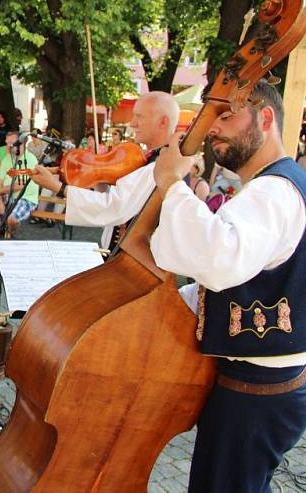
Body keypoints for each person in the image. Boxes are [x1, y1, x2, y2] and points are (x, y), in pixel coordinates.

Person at [149, 80, 306, 493]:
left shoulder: (273, 191)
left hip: (257, 391)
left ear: (265, 118)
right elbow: (247, 276)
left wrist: (171, 186)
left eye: (227, 114)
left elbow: (219, 259)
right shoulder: (274, 185)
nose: (213, 128)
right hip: (259, 385)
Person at [29, 91, 180, 250]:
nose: (132, 123)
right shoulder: (150, 160)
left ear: (163, 122)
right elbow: (118, 200)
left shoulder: (159, 167)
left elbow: (115, 208)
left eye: (139, 117)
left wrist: (57, 187)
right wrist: (102, 177)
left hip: (132, 263)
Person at [0, 131, 39, 237]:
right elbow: (0, 182)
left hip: (25, 198)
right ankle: (2, 230)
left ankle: (10, 232)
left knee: (12, 219)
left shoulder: (30, 159)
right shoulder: (7, 159)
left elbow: (20, 185)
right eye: (7, 143)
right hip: (7, 197)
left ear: (22, 144)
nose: (8, 146)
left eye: (11, 143)